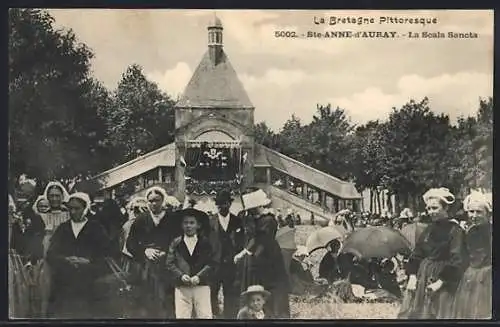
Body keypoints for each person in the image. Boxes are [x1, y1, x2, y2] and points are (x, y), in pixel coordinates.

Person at [398, 187, 467, 319]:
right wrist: (412, 276)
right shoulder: (429, 229)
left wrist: (440, 282)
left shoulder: (455, 230)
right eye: (428, 208)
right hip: (423, 277)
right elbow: (417, 253)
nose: (430, 212)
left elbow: (457, 259)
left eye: (435, 208)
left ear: (446, 208)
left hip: (443, 282)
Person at [46, 192, 111, 318]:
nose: (73, 212)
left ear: (85, 208)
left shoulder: (96, 228)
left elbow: (107, 254)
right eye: (70, 208)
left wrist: (89, 262)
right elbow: (51, 254)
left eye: (77, 208)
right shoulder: (63, 228)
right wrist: (66, 260)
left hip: (89, 282)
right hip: (64, 282)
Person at [234, 189, 290, 319]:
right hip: (257, 261)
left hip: (269, 260)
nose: (252, 212)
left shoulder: (268, 221)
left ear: (259, 206)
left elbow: (261, 241)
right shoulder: (253, 220)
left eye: (253, 209)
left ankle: (275, 316)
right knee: (257, 291)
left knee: (273, 292)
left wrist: (244, 253)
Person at [126, 186, 180, 318]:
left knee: (167, 300)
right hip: (146, 266)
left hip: (168, 265)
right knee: (147, 300)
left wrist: (167, 253)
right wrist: (145, 251)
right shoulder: (140, 220)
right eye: (150, 201)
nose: (153, 204)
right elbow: (130, 243)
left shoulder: (173, 219)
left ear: (163, 200)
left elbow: (180, 240)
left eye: (157, 200)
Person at [166, 208, 218, 319]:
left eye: (191, 223)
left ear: (198, 225)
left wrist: (199, 276)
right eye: (185, 223)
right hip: (182, 286)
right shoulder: (176, 243)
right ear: (181, 225)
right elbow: (170, 263)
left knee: (204, 315)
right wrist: (181, 275)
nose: (188, 226)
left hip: (201, 285)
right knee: (182, 316)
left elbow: (212, 263)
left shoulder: (205, 243)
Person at [450, 191, 492, 319]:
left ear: (488, 213)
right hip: (470, 275)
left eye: (479, 212)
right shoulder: (469, 231)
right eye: (471, 212)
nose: (474, 215)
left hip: (488, 276)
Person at [209, 189, 245, 319]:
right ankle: (214, 317)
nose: (221, 206)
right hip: (214, 265)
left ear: (229, 204)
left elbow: (242, 242)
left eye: (224, 203)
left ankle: (230, 318)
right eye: (218, 204)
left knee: (231, 294)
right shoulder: (210, 221)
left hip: (231, 265)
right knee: (212, 293)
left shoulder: (237, 221)